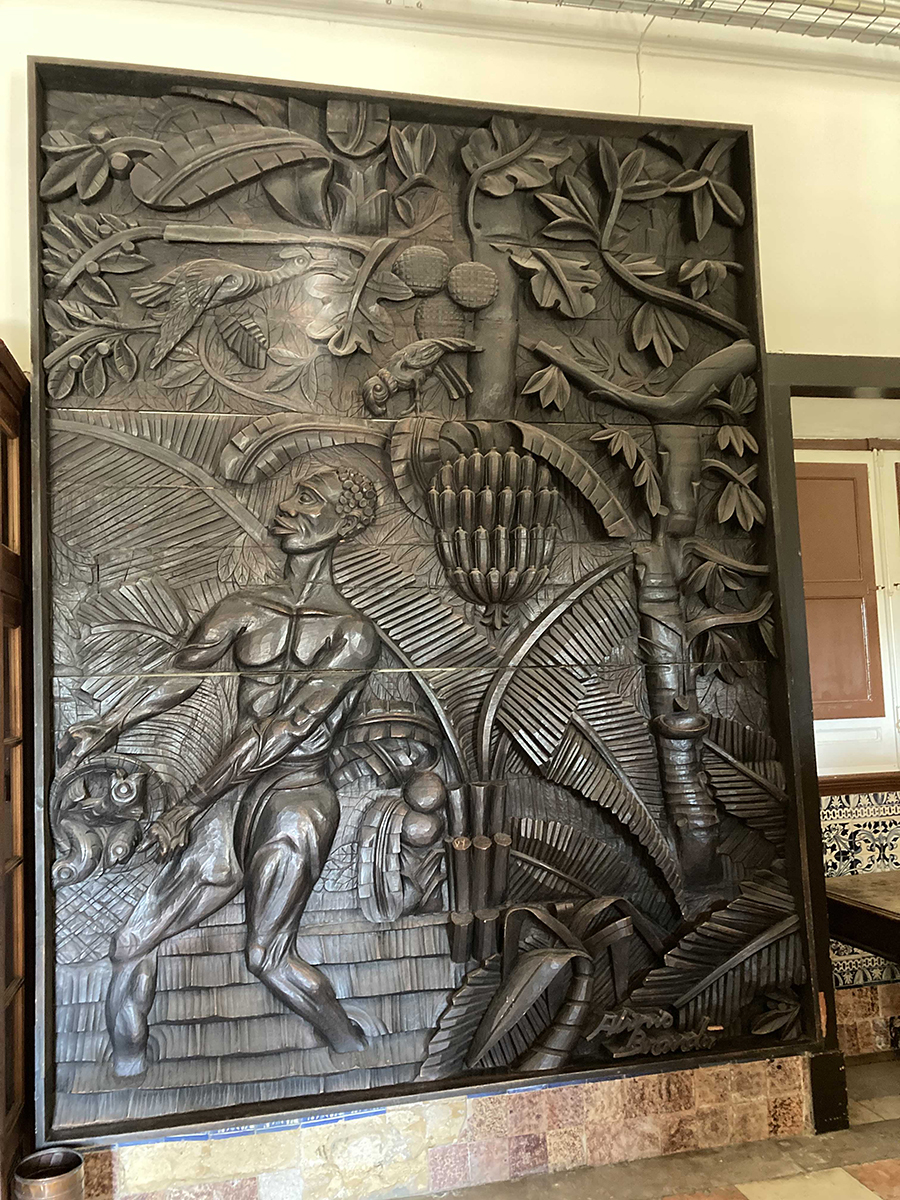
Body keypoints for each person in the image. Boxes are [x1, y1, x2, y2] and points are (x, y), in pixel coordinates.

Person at [56, 466, 380, 1076]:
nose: (288, 505)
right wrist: (112, 724)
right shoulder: (244, 607)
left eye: (309, 498)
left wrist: (189, 804)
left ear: (345, 524)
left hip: (297, 796)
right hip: (234, 797)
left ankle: (352, 1047)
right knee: (131, 942)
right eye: (293, 493)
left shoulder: (354, 634)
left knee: (267, 956)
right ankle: (127, 1073)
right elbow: (182, 671)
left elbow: (286, 727)